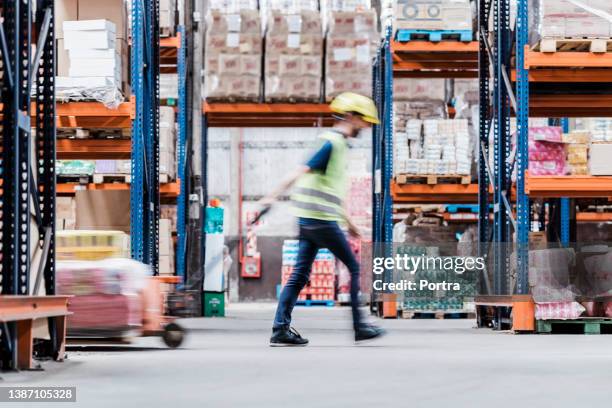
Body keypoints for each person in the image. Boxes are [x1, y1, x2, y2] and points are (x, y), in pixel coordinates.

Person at [259, 92, 386, 346]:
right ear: (351, 116)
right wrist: (270, 197)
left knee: (299, 275)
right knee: (353, 266)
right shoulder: (332, 143)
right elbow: (300, 171)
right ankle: (360, 327)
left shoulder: (336, 144)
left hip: (310, 220)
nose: (366, 126)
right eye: (364, 121)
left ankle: (280, 328)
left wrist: (348, 223)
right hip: (321, 221)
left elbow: (331, 189)